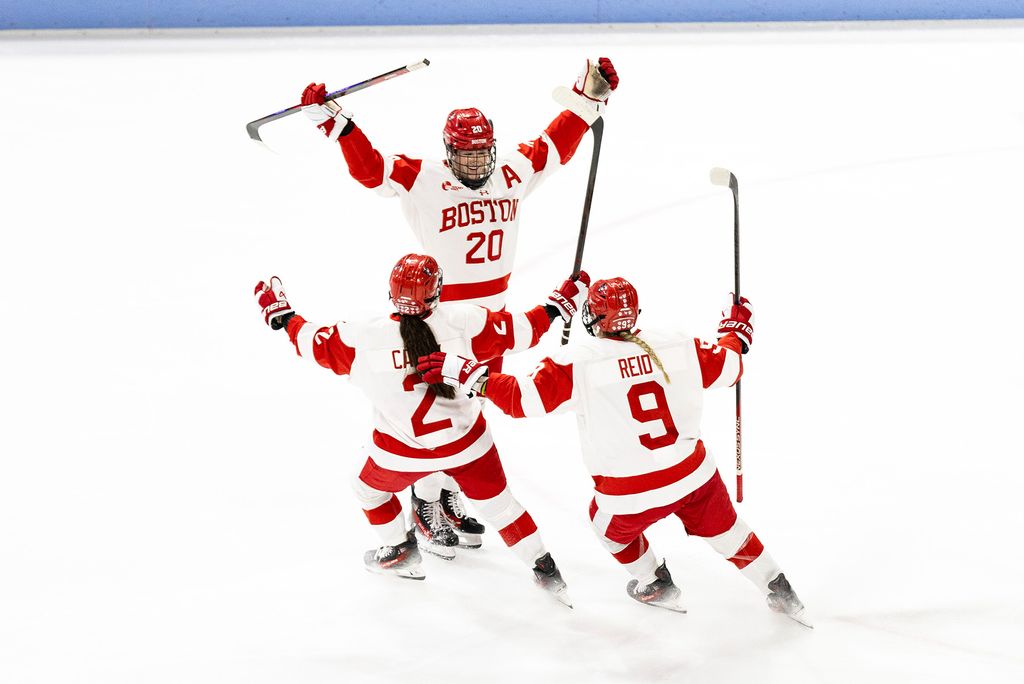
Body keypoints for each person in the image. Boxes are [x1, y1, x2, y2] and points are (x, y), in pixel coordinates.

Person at [297, 57, 619, 554]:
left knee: (468, 412)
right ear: (449, 153)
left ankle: (446, 497)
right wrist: (337, 124)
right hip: (437, 322)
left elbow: (555, 145)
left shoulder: (510, 171)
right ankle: (424, 504)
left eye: (482, 155)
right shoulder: (424, 178)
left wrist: (586, 98)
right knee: (438, 410)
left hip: (490, 322)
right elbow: (371, 170)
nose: (476, 165)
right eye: (466, 157)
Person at [418, 278, 811, 626]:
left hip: (630, 493)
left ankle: (654, 582)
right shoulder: (678, 341)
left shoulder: (577, 360)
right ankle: (780, 588)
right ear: (635, 314)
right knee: (729, 531)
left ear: (594, 318)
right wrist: (735, 332)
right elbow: (731, 366)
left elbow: (523, 400)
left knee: (605, 526)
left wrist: (470, 373)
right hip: (694, 475)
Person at [253, 253, 590, 607]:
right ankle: (545, 569)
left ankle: (400, 550)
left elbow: (312, 342)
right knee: (504, 509)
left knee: (366, 488)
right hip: (468, 446)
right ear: (437, 291)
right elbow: (522, 330)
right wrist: (557, 305)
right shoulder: (464, 322)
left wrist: (284, 317)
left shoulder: (362, 336)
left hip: (401, 452)